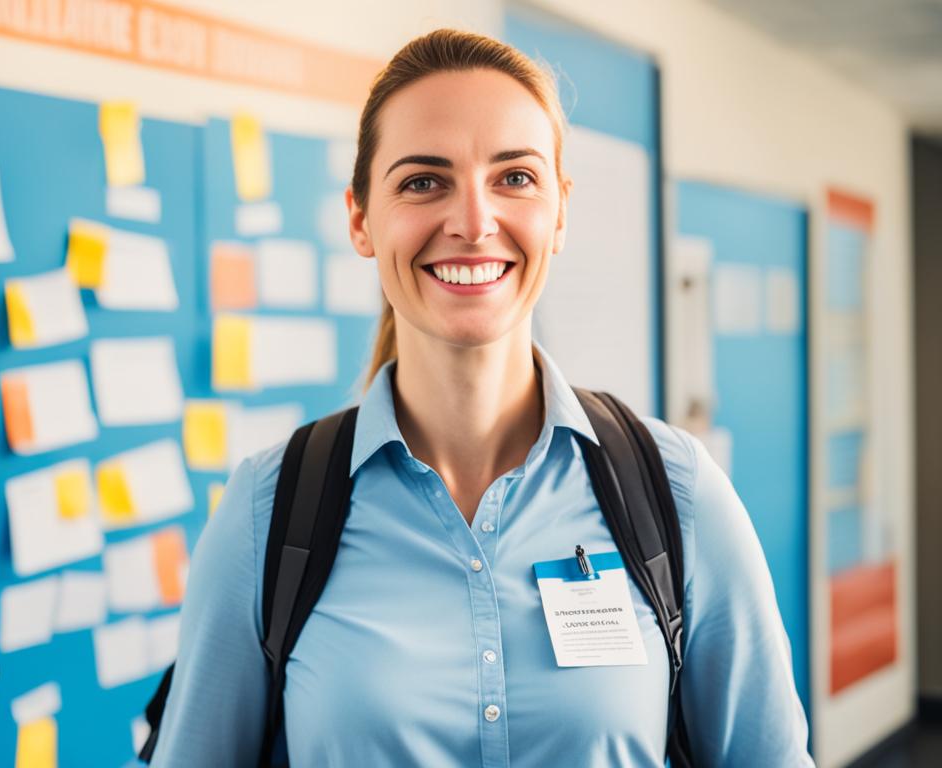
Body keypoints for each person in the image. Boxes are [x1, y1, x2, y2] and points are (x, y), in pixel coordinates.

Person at [150, 28, 813, 767]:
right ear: (361, 219)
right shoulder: (268, 514)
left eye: (515, 178)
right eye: (423, 181)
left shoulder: (675, 494)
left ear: (559, 211)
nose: (472, 223)